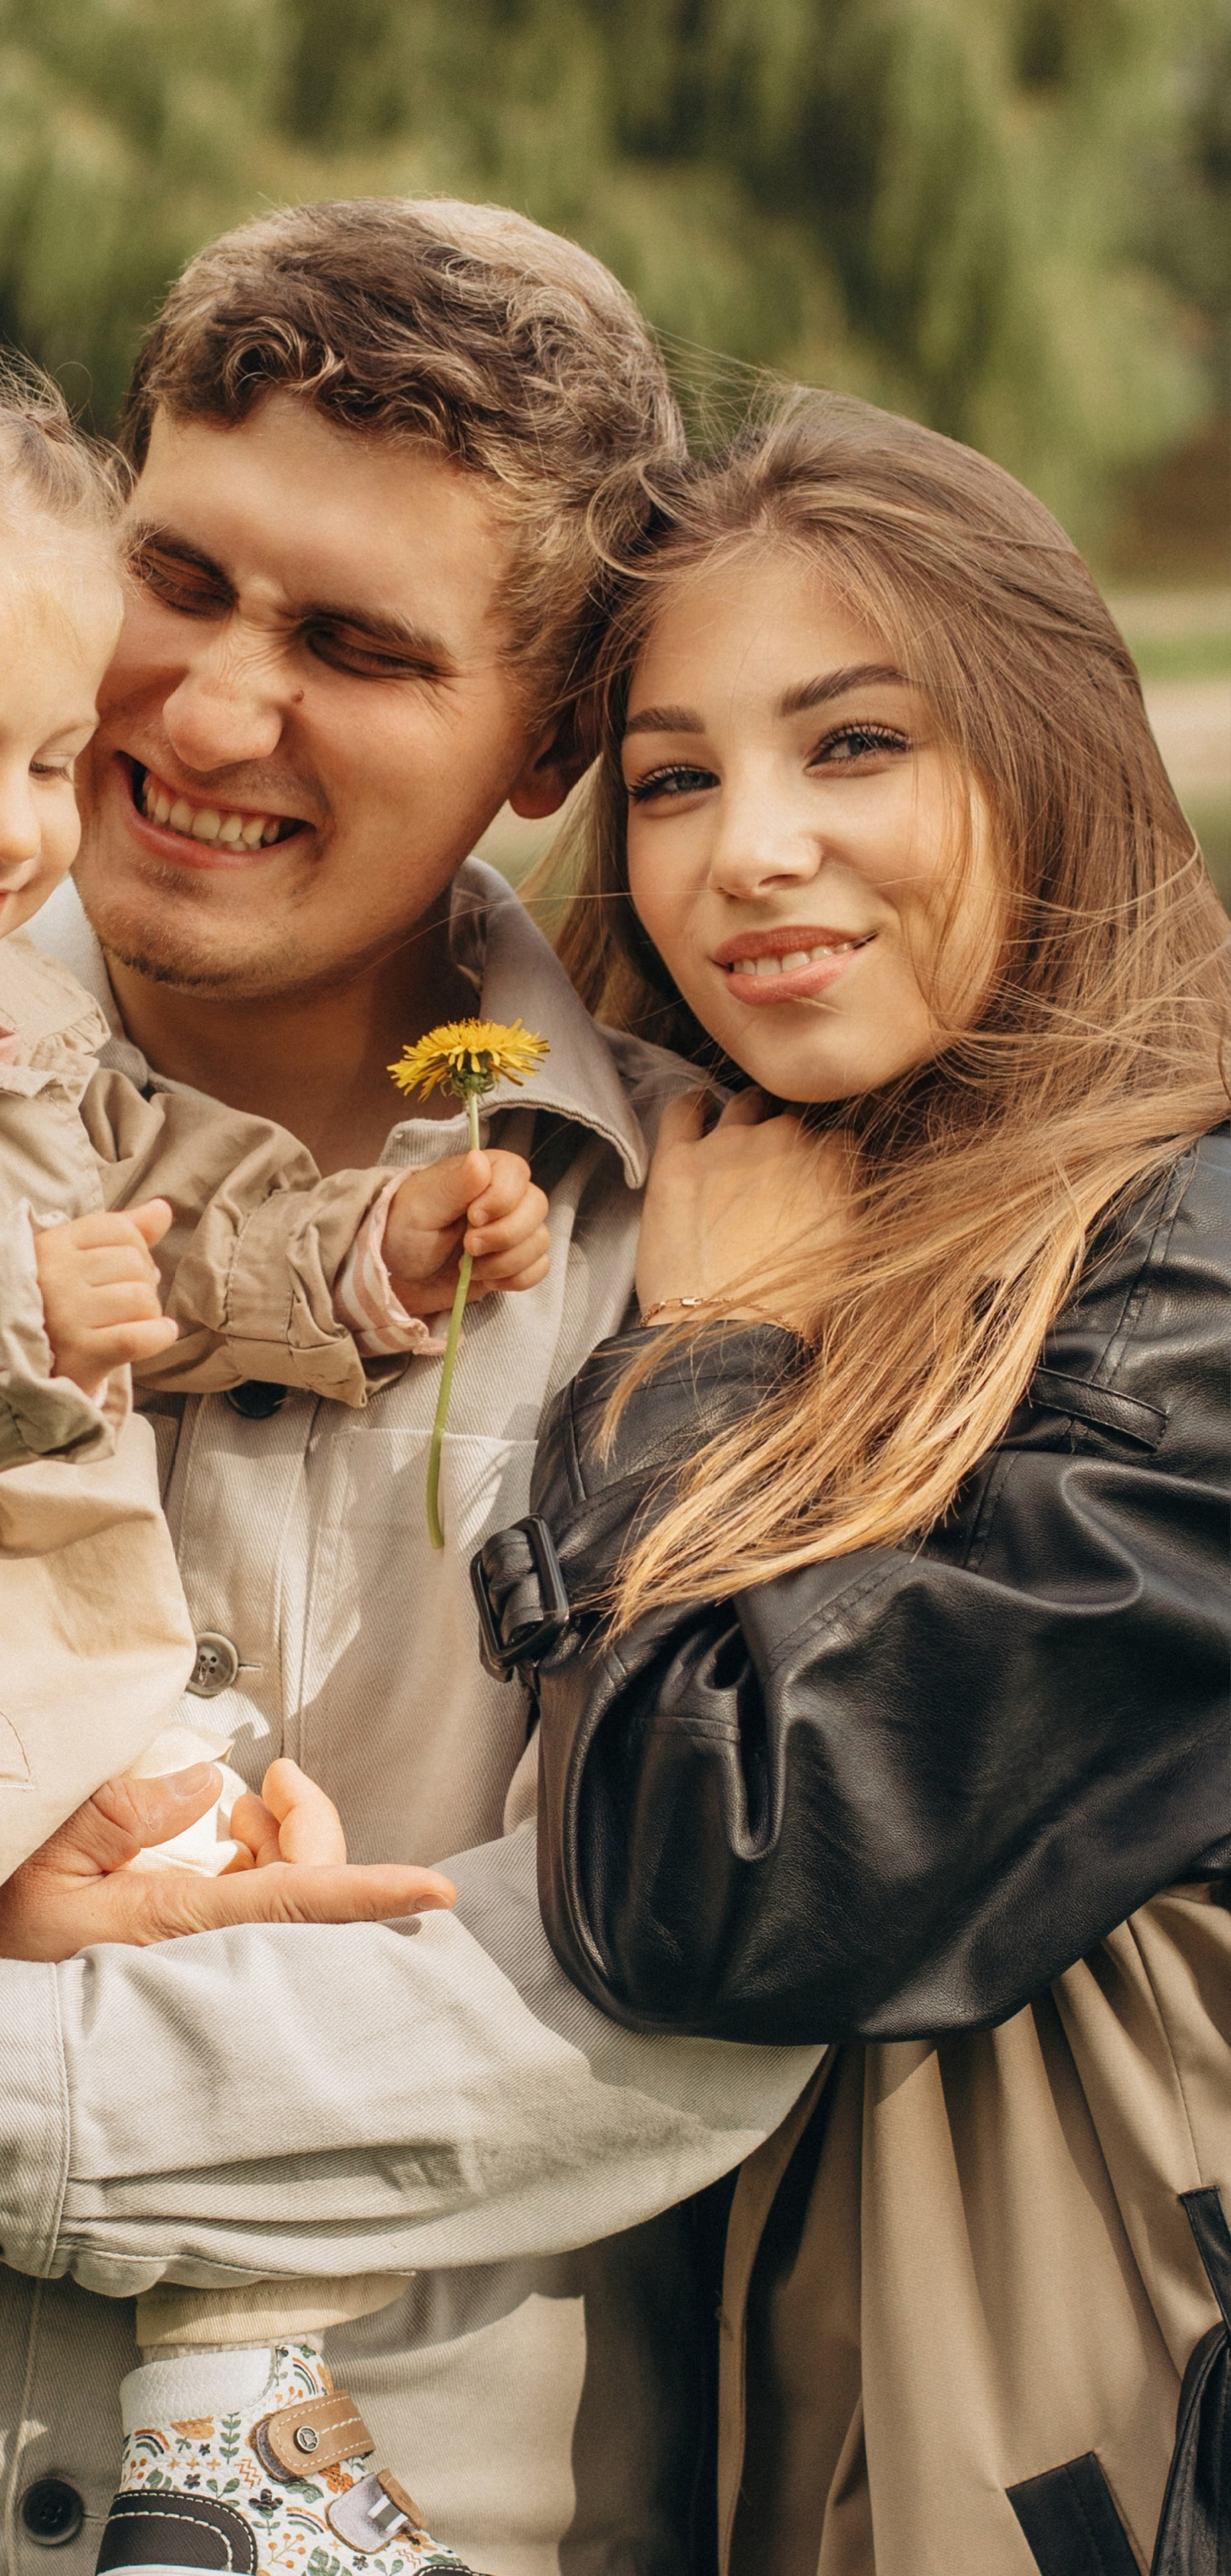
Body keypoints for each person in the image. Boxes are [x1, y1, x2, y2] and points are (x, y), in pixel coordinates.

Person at [0, 205, 819, 2576]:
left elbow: (669, 2000)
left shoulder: (702, 1237)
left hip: (418, 2513)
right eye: (181, 583)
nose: (210, 714)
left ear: (542, 747)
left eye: (356, 648)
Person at [472, 392, 1231, 2572]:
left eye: (856, 746)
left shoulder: (1184, 1293)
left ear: (1052, 756)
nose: (749, 854)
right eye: (677, 779)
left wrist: (698, 1368)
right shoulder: (767, 1219)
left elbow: (717, 1872)